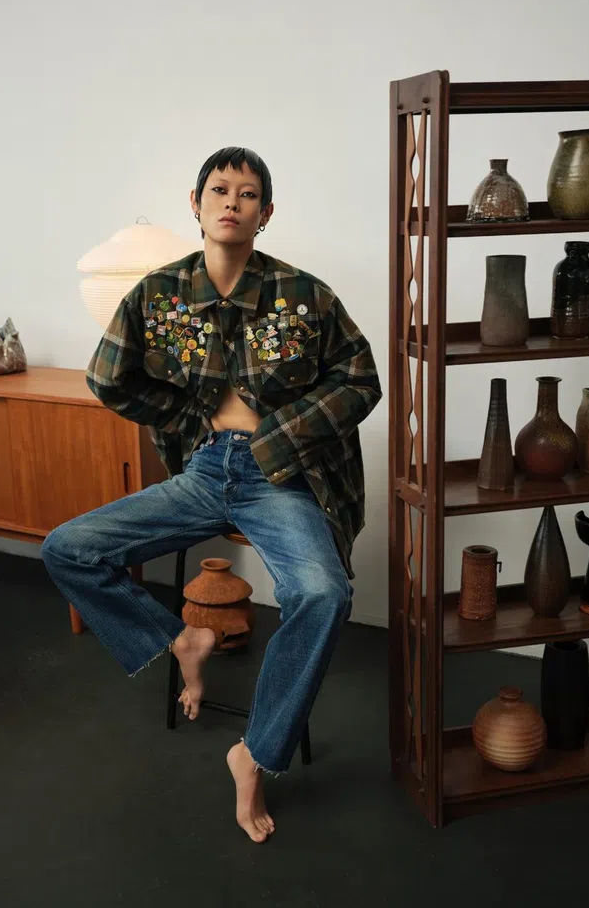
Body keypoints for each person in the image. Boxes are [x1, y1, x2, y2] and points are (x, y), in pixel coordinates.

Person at [41, 147, 381, 843]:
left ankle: (255, 753)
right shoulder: (159, 293)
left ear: (266, 212)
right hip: (203, 471)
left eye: (248, 193)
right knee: (67, 548)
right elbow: (107, 378)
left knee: (323, 594)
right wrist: (192, 418)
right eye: (220, 190)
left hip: (278, 478)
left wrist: (275, 436)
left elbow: (360, 380)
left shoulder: (304, 295)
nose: (232, 202)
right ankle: (180, 638)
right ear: (195, 204)